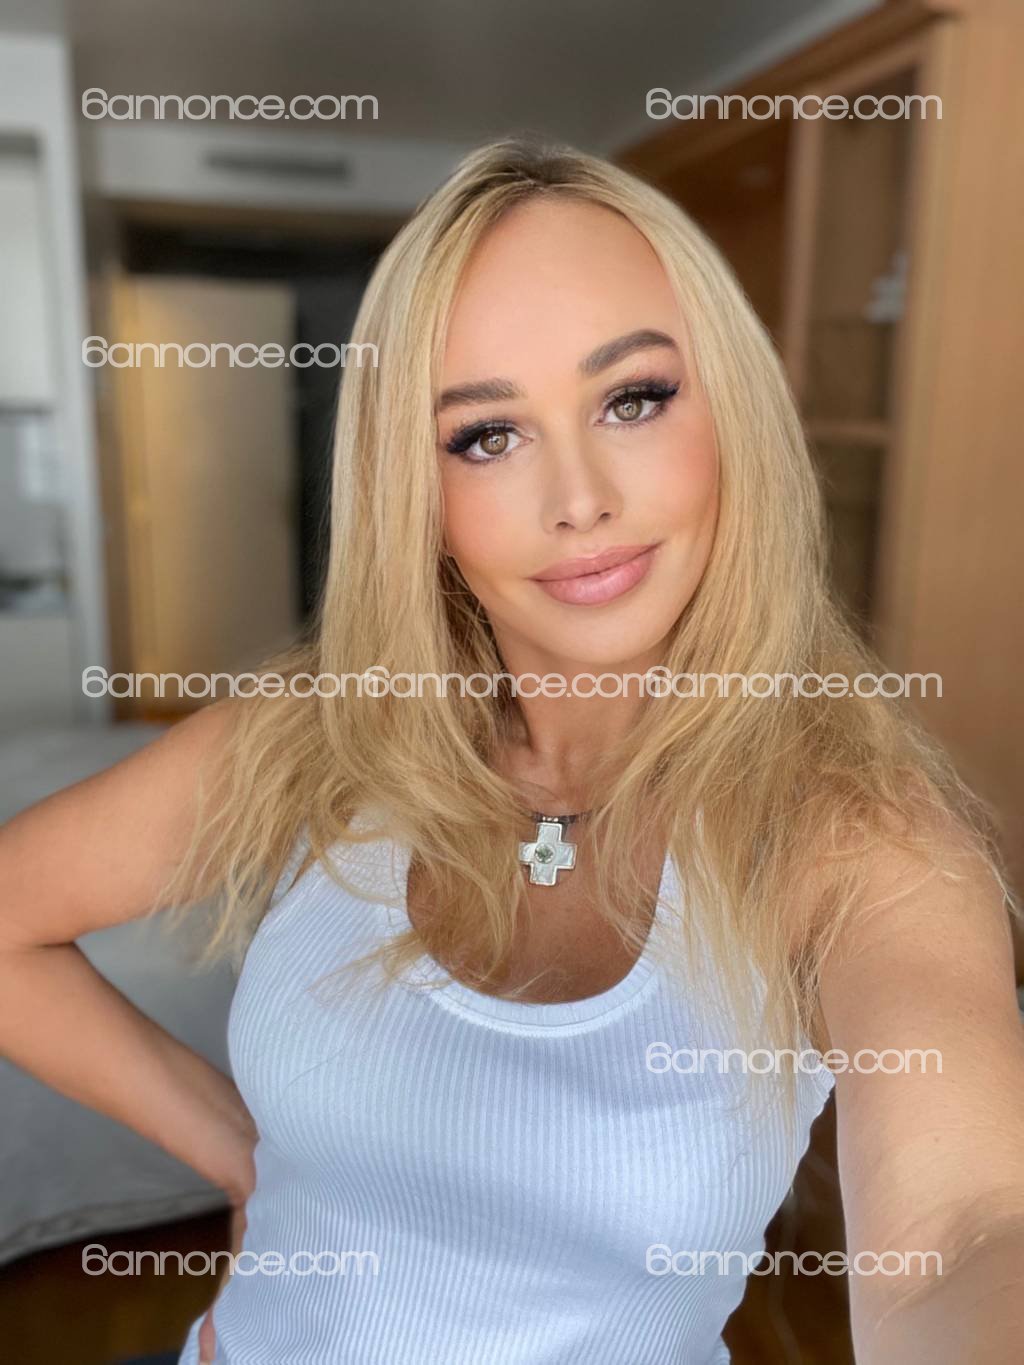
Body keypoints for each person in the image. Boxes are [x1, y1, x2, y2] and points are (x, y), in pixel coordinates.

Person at [2, 138, 1022, 1365]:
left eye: (633, 399)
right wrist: (230, 1144)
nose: (577, 498)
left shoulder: (859, 838)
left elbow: (965, 1230)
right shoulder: (322, 730)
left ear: (732, 419)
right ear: (414, 492)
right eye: (487, 434)